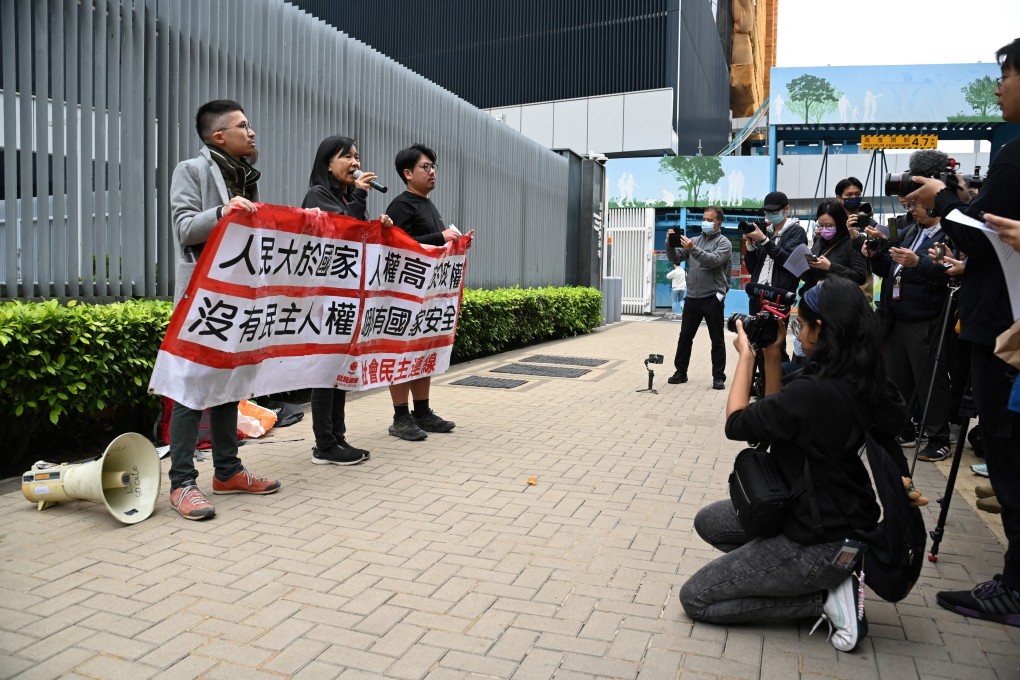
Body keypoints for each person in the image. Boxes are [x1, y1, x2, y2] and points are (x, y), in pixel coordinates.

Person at [679, 277, 907, 652]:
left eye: (801, 325)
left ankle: (823, 598)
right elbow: (778, 418)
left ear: (823, 329)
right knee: (712, 521)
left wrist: (746, 357)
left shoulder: (814, 390)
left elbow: (737, 424)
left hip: (818, 540)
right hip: (839, 516)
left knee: (697, 598)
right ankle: (804, 575)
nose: (797, 333)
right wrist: (772, 356)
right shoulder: (856, 378)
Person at [905, 37, 1020, 627]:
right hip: (1001, 323)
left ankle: (1015, 587)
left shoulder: (1016, 155)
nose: (998, 88)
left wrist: (946, 200)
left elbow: (982, 233)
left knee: (1007, 450)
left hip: (1002, 333)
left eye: (1006, 75)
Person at [165, 99, 280, 520]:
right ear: (219, 136)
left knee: (231, 384)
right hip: (203, 297)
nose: (252, 132)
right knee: (191, 389)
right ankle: (181, 483)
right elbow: (184, 228)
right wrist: (221, 211)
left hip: (238, 295)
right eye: (243, 126)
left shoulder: (245, 176)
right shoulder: (191, 170)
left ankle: (227, 472)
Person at [301, 135, 394, 465]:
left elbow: (359, 235)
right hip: (324, 297)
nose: (356, 163)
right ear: (328, 163)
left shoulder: (346, 195)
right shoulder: (318, 194)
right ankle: (324, 444)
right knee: (325, 370)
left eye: (357, 156)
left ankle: (337, 437)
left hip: (345, 296)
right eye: (347, 157)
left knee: (339, 368)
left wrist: (379, 226)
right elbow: (343, 232)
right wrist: (359, 196)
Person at [384, 143, 474, 441]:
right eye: (426, 166)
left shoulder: (428, 205)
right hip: (403, 297)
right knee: (401, 354)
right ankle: (400, 417)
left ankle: (422, 412)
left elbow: (431, 246)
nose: (432, 171)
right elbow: (397, 245)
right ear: (408, 173)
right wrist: (440, 236)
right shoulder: (400, 205)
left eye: (433, 166)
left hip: (427, 297)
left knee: (423, 351)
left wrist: (455, 244)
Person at [864, 196, 954, 462]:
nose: (911, 210)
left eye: (916, 204)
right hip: (896, 317)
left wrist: (918, 262)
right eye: (908, 205)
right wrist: (875, 256)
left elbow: (947, 272)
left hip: (925, 318)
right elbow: (890, 270)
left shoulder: (948, 235)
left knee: (929, 381)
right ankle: (903, 429)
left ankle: (938, 438)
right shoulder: (910, 232)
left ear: (933, 204)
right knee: (896, 379)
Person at [664, 207, 733, 390]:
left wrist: (692, 249)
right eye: (703, 219)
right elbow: (675, 256)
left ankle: (718, 377)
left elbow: (712, 260)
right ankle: (681, 372)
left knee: (717, 339)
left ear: (718, 223)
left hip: (712, 297)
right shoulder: (694, 240)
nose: (705, 222)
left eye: (709, 220)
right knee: (685, 337)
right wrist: (669, 244)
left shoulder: (724, 243)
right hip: (692, 297)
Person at [742, 191, 808, 308]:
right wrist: (750, 244)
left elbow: (787, 261)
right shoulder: (765, 231)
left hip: (779, 297)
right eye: (767, 212)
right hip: (757, 295)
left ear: (786, 209)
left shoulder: (797, 231)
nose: (770, 215)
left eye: (775, 211)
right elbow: (752, 269)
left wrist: (764, 240)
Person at [799, 201, 867, 299]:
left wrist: (830, 267)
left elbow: (859, 277)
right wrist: (804, 267)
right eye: (820, 225)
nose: (824, 229)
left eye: (828, 225)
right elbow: (810, 277)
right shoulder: (819, 242)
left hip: (838, 301)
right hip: (814, 299)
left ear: (840, 223)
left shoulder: (852, 243)